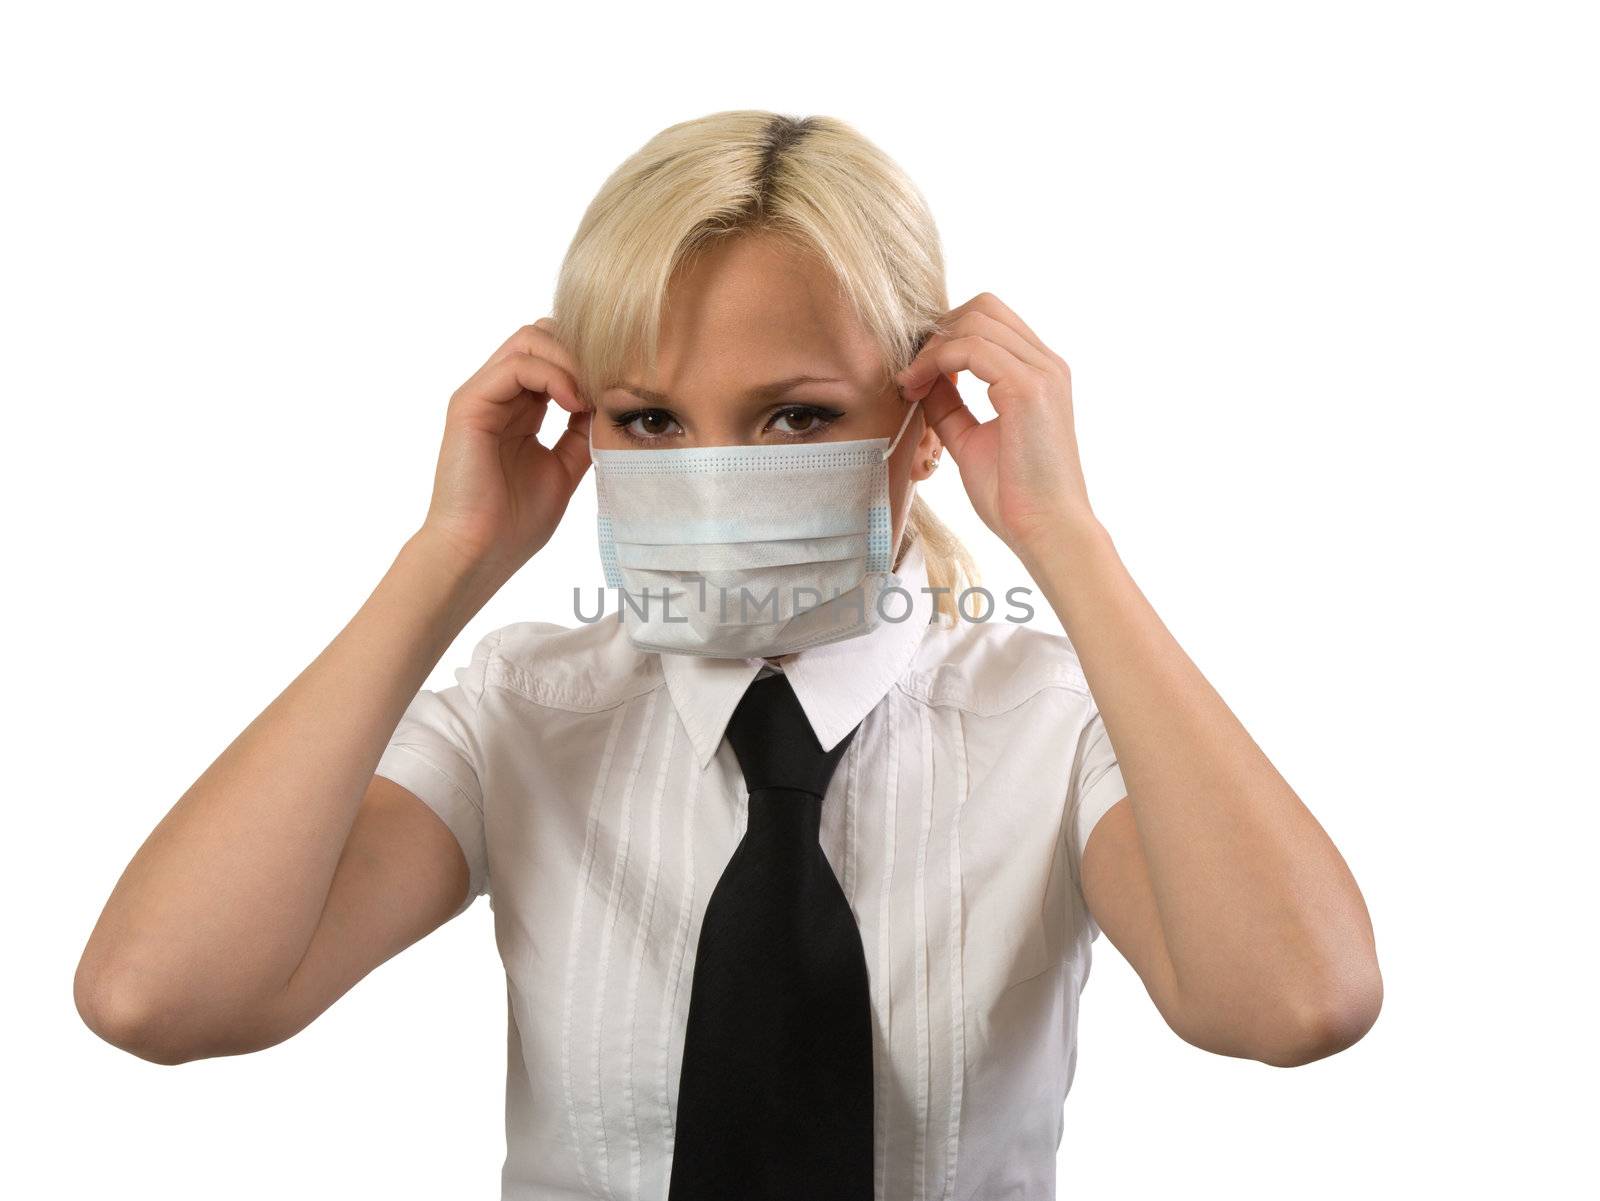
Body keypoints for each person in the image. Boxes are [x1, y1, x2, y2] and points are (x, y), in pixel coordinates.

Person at [74, 110, 1383, 1199]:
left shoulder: (1054, 723)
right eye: (650, 417)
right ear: (585, 426)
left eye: (795, 415)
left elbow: (1296, 1003)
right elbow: (156, 997)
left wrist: (1067, 537)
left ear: (922, 424)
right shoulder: (526, 712)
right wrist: (446, 559)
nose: (711, 477)